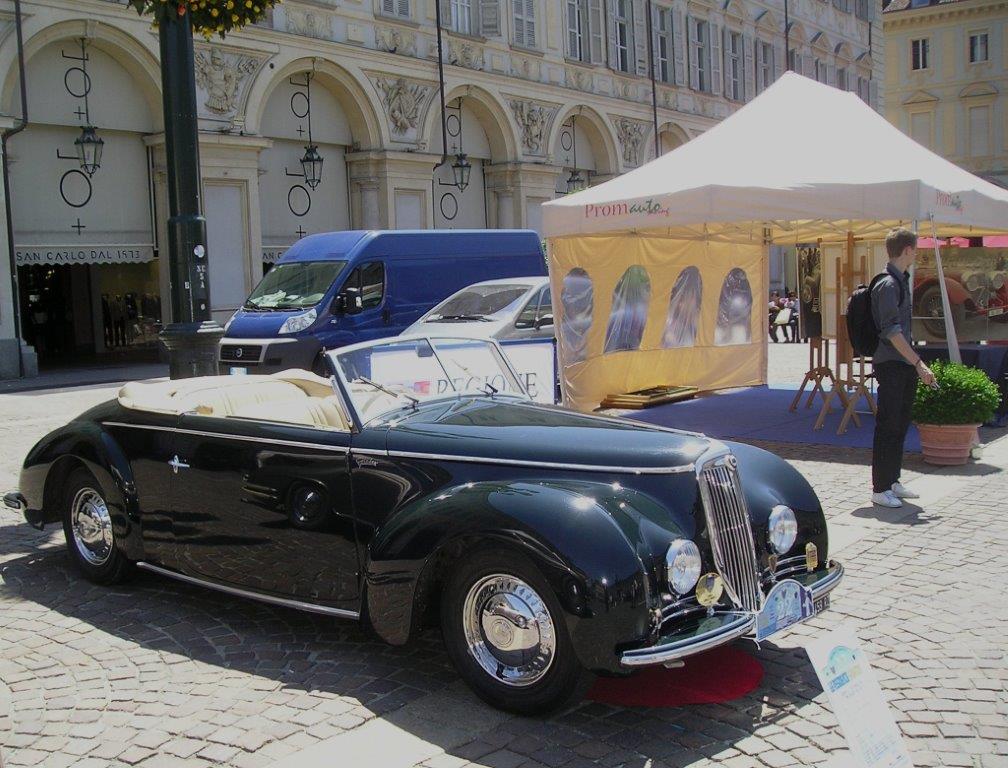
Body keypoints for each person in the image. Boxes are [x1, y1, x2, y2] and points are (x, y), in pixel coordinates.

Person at [870, 228, 937, 508]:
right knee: (888, 425)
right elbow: (892, 331)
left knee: (899, 423)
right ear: (907, 250)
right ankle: (880, 487)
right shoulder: (888, 284)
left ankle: (893, 481)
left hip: (903, 363)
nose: (917, 254)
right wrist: (918, 363)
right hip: (892, 364)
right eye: (915, 249)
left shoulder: (901, 280)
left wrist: (913, 363)